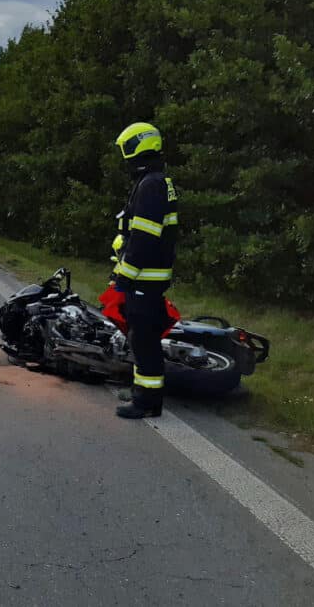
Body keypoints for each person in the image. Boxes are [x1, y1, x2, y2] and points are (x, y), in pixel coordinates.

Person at [111, 123, 178, 419]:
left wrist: (124, 276)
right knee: (141, 338)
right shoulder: (154, 181)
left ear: (136, 147)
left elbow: (144, 237)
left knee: (144, 342)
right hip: (148, 278)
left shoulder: (151, 185)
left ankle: (146, 403)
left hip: (144, 279)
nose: (124, 158)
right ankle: (145, 395)